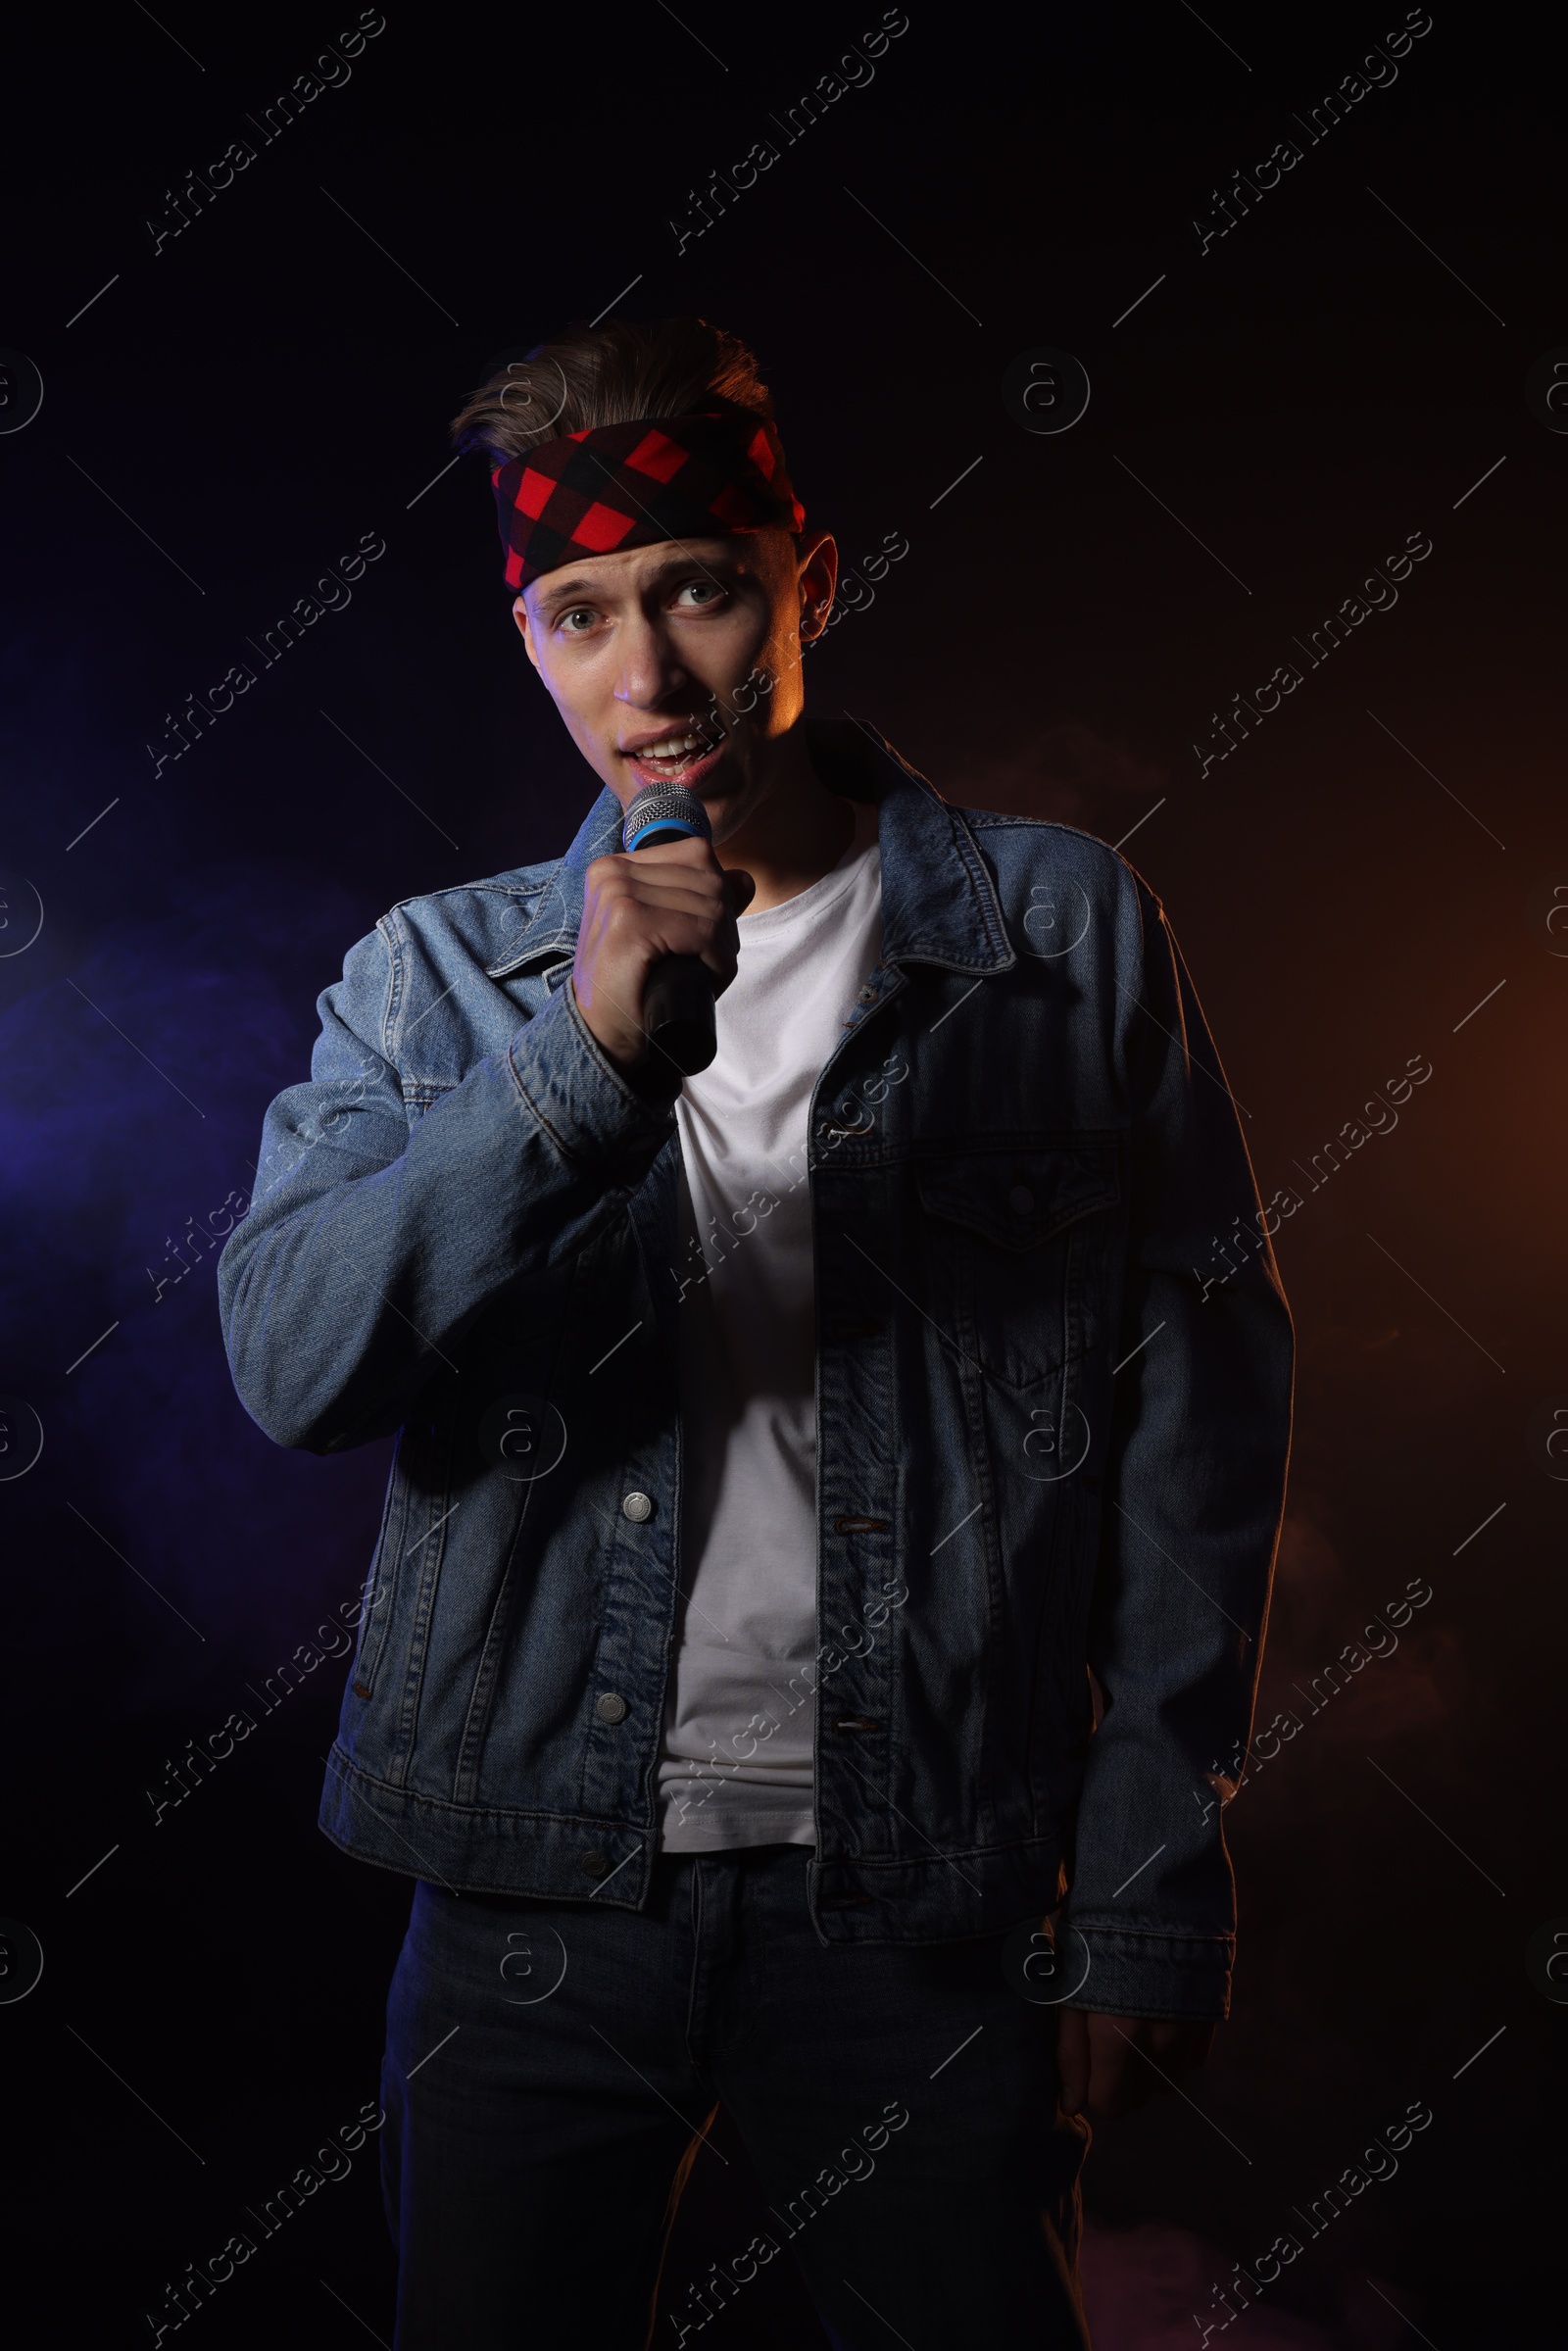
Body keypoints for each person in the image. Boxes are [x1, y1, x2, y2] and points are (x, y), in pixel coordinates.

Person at [218, 315, 1293, 2349]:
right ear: (527, 639)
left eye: (697, 590)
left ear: (808, 572)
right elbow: (290, 1364)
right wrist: (579, 1064)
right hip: (535, 1893)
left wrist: (1149, 1870)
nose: (644, 677)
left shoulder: (1057, 933)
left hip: (917, 1894)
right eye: (577, 615)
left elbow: (1198, 1424)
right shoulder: (437, 979)